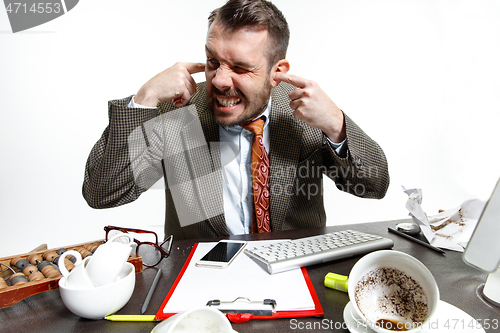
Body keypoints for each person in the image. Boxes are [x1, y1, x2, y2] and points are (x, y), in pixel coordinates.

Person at [83, 0, 389, 240]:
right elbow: (101, 193)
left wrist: (336, 123)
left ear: (276, 71)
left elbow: (375, 186)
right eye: (213, 62)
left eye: (240, 68)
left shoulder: (306, 114)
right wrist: (144, 99)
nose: (219, 80)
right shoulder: (174, 111)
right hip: (201, 278)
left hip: (296, 269)